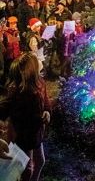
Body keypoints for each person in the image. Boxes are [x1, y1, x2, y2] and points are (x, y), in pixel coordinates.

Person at [0, 52, 51, 180]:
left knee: (40, 162)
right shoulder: (16, 93)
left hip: (37, 135)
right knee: (26, 170)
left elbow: (46, 101)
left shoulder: (40, 82)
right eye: (36, 61)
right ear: (30, 72)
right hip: (22, 139)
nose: (39, 61)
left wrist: (47, 111)